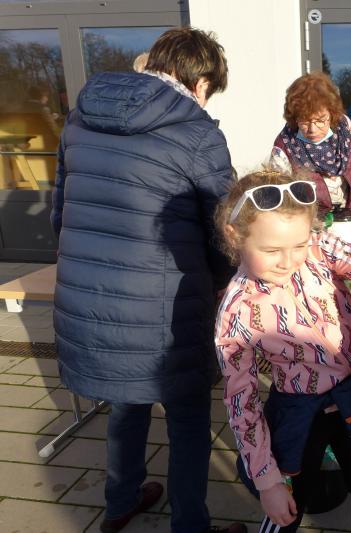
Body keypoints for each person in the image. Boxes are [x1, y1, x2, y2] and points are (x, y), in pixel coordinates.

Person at [51, 27, 244, 533]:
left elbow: (60, 213)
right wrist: (222, 281)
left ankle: (119, 503)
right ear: (200, 81)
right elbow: (224, 231)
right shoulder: (198, 132)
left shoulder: (80, 119)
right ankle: (189, 524)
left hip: (92, 301)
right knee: (187, 418)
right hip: (166, 307)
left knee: (126, 401)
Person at [214, 170, 351, 532]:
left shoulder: (319, 247)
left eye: (298, 245)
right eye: (271, 250)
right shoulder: (236, 311)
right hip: (297, 414)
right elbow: (241, 401)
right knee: (288, 506)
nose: (289, 260)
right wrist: (266, 481)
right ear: (235, 236)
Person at [268, 72, 351, 212]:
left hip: (347, 213)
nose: (312, 129)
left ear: (332, 113)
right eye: (304, 121)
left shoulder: (343, 125)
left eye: (320, 120)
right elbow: (279, 197)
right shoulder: (284, 145)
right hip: (309, 220)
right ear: (294, 117)